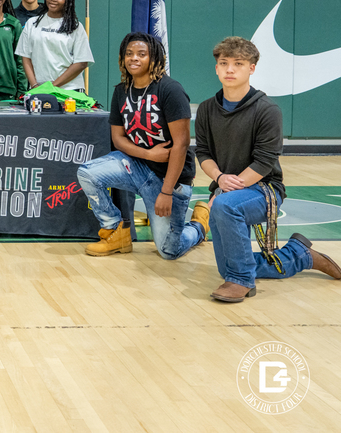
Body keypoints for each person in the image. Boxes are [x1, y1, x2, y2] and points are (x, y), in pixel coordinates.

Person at [197, 37, 341, 302]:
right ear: (216, 68)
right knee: (225, 267)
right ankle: (299, 255)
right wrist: (219, 179)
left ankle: (242, 281)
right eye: (224, 63)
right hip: (226, 189)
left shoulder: (267, 110)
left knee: (225, 209)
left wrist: (227, 190)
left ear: (251, 68)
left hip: (265, 189)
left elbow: (264, 162)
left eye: (238, 64)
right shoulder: (207, 109)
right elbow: (203, 153)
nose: (230, 69)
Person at [77, 33, 206, 259]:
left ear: (154, 58)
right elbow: (118, 139)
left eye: (141, 54)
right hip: (137, 166)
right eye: (129, 54)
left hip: (169, 180)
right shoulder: (121, 90)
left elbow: (181, 144)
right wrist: (149, 154)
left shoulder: (170, 90)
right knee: (87, 173)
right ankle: (116, 231)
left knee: (168, 251)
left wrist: (166, 191)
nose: (133, 58)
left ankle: (199, 226)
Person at [15, 0, 93, 92]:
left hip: (69, 90)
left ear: (68, 0)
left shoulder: (75, 26)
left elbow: (81, 63)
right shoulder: (32, 23)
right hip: (39, 89)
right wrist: (35, 85)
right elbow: (25, 57)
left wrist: (52, 87)